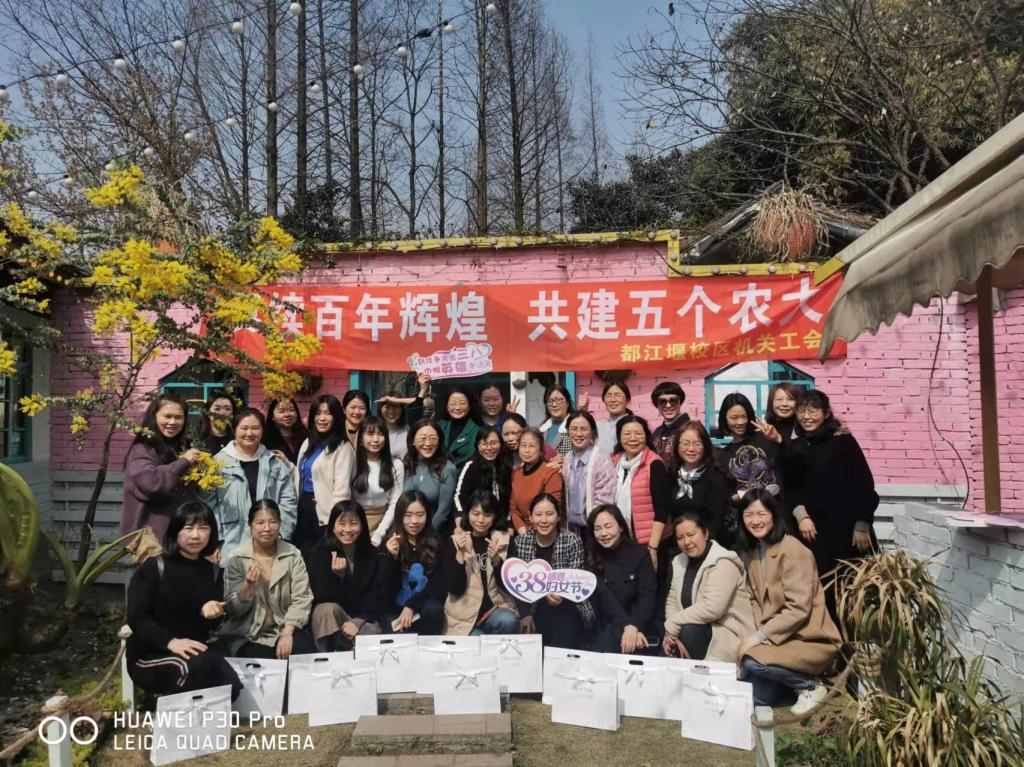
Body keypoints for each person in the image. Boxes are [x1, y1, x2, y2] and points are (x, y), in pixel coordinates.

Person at [736, 490, 841, 713]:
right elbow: (754, 599)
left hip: (807, 638)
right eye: (749, 515)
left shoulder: (793, 550)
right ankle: (790, 683)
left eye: (762, 514)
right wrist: (759, 633)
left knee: (751, 661)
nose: (755, 521)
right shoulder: (753, 552)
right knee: (757, 695)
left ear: (774, 515)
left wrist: (758, 637)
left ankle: (810, 685)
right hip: (777, 638)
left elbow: (798, 609)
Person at [125, 502, 242, 699]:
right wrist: (170, 642)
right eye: (188, 528)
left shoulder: (213, 573)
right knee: (194, 670)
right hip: (151, 654)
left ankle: (203, 718)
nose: (196, 535)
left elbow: (210, 626)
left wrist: (211, 614)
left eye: (203, 528)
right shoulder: (154, 568)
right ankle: (172, 715)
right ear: (175, 531)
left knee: (230, 684)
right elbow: (137, 616)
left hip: (194, 652)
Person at [780, 389, 878, 618]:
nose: (806, 417)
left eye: (813, 411)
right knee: (822, 591)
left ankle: (853, 639)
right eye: (801, 411)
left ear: (825, 413)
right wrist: (801, 516)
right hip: (814, 532)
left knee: (852, 591)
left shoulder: (843, 441)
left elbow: (864, 483)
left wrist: (862, 523)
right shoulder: (797, 446)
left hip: (848, 532)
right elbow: (792, 487)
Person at [222, 499, 316, 659]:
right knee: (260, 658)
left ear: (279, 524)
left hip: (284, 627)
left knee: (302, 651)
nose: (267, 528)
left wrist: (287, 633)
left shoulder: (293, 555)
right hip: (248, 633)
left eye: (273, 522)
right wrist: (247, 586)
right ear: (250, 525)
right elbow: (233, 610)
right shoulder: (238, 559)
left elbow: (302, 598)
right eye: (260, 523)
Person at [203, 409, 297, 566]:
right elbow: (209, 505)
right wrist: (214, 541)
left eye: (255, 428)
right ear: (235, 429)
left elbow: (288, 502)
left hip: (268, 542)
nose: (249, 433)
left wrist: (282, 535)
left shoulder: (274, 463)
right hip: (230, 542)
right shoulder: (217, 464)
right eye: (244, 428)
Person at [662, 511, 754, 662]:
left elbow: (712, 608)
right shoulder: (679, 561)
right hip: (689, 629)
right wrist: (671, 632)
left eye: (691, 535)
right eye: (680, 538)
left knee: (690, 632)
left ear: (705, 534)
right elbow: (672, 599)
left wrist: (674, 623)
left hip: (727, 635)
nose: (686, 542)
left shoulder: (723, 562)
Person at [511, 494, 594, 649]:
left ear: (558, 516)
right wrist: (525, 614)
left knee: (563, 620)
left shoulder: (572, 540)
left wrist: (560, 594)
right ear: (530, 517)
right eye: (538, 514)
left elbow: (575, 580)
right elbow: (516, 584)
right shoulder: (520, 542)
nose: (544, 520)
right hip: (532, 606)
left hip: (568, 604)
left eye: (549, 514)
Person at [304, 500, 385, 650]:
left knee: (373, 634)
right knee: (325, 610)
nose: (347, 530)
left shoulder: (371, 553)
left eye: (353, 523)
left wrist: (357, 621)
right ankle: (326, 657)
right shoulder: (320, 552)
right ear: (333, 527)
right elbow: (321, 595)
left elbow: (375, 593)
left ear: (362, 526)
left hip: (361, 616)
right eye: (342, 524)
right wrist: (340, 577)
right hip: (333, 617)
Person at [121, 392, 201, 540]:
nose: (173, 422)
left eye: (179, 417)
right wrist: (183, 462)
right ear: (155, 416)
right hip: (149, 539)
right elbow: (152, 483)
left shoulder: (181, 448)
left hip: (179, 536)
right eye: (167, 416)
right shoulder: (143, 449)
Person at [441, 490, 519, 635]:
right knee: (478, 641)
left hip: (496, 609)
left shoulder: (505, 541)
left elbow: (512, 587)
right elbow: (454, 589)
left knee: (508, 620)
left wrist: (497, 562)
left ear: (494, 516)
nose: (481, 520)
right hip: (464, 615)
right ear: (468, 514)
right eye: (476, 514)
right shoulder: (455, 542)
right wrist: (460, 555)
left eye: (487, 515)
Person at [587, 504, 657, 654]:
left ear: (620, 527)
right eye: (597, 528)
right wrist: (628, 627)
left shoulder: (640, 554)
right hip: (608, 626)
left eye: (608, 526)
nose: (603, 533)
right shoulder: (592, 558)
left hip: (639, 625)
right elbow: (606, 600)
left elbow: (647, 596)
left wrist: (634, 626)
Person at [611, 415, 673, 570]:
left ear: (646, 436)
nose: (633, 438)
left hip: (650, 544)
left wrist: (652, 548)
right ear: (619, 437)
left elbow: (662, 510)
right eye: (627, 434)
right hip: (623, 542)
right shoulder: (614, 462)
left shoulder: (654, 464)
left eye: (638, 433)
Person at [379, 491, 445, 635]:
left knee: (433, 610)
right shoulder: (388, 543)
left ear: (428, 516)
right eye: (408, 515)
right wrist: (391, 558)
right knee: (390, 625)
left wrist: (411, 606)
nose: (414, 521)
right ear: (399, 516)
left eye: (420, 515)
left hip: (423, 606)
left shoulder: (436, 542)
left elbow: (437, 585)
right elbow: (386, 590)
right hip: (395, 608)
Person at [294, 395, 353, 550]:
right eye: (318, 413)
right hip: (303, 507)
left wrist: (336, 520)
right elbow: (301, 473)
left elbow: (342, 490)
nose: (322, 418)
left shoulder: (343, 447)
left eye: (327, 413)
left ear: (336, 417)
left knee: (319, 556)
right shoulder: (308, 442)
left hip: (325, 513)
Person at [669, 422, 733, 546]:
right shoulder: (672, 476)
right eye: (685, 443)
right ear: (677, 446)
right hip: (679, 545)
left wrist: (697, 546)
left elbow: (716, 522)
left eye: (697, 444)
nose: (691, 449)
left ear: (705, 446)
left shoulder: (716, 479)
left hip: (709, 545)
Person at [715, 392, 781, 504]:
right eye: (734, 418)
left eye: (744, 416)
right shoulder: (724, 455)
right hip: (748, 511)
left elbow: (787, 464)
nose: (740, 422)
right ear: (724, 419)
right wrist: (737, 497)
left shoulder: (766, 437)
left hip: (776, 507)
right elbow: (727, 494)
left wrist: (777, 439)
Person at [350, 416, 406, 545]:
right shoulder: (351, 463)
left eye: (380, 434)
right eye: (370, 434)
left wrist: (378, 534)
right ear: (361, 438)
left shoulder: (396, 465)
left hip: (385, 524)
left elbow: (395, 503)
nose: (375, 439)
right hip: (354, 522)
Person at [561, 411, 617, 538]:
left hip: (594, 529)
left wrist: (596, 527)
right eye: (574, 429)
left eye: (583, 429)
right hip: (572, 530)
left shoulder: (602, 459)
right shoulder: (568, 458)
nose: (578, 434)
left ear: (592, 432)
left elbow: (605, 499)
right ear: (568, 432)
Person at [403, 419, 459, 535]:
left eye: (433, 438)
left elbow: (443, 511)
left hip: (433, 533)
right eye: (423, 438)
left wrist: (425, 536)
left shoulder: (447, 468)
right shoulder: (407, 465)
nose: (428, 443)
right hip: (407, 531)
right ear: (412, 441)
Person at [509, 428, 564, 534]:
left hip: (546, 530)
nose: (527, 450)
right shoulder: (516, 474)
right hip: (522, 531)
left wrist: (533, 535)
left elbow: (552, 510)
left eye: (532, 446)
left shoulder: (550, 473)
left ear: (540, 449)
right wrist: (523, 532)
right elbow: (514, 510)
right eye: (523, 445)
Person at [454, 427, 512, 522]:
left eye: (493, 443)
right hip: (478, 522)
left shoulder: (506, 467)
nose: (489, 448)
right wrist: (460, 519)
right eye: (484, 444)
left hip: (502, 523)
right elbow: (459, 496)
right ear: (478, 446)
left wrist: (508, 523)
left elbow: (512, 500)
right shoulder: (471, 467)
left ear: (500, 444)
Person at [377, 372, 430, 460]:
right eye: (387, 407)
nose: (391, 411)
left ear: (402, 409)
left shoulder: (409, 428)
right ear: (380, 409)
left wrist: (397, 400)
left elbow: (427, 403)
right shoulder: (375, 430)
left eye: (395, 407)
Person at [437, 385, 482, 469]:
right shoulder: (439, 426)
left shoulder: (476, 431)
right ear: (447, 407)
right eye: (453, 404)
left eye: (462, 403)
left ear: (469, 407)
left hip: (464, 473)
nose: (457, 408)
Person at [650, 382, 689, 465]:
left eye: (673, 400)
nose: (668, 405)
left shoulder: (690, 429)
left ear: (680, 402)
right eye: (662, 401)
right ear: (657, 405)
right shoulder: (657, 432)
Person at [263, 397, 307, 465]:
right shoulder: (265, 440)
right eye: (281, 411)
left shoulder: (306, 437)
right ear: (272, 416)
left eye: (291, 410)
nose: (287, 414)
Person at [595, 381, 633, 456]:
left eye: (617, 395)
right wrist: (583, 411)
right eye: (608, 396)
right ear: (604, 400)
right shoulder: (598, 426)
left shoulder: (634, 425)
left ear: (627, 400)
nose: (613, 400)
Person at [538, 384, 574, 458]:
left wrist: (566, 460)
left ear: (567, 403)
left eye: (559, 400)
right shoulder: (540, 429)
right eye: (550, 401)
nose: (554, 404)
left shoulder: (575, 428)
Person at [200, 390, 238, 455]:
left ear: (233, 414)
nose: (222, 413)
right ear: (207, 412)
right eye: (217, 409)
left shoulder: (237, 438)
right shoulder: (196, 437)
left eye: (227, 409)